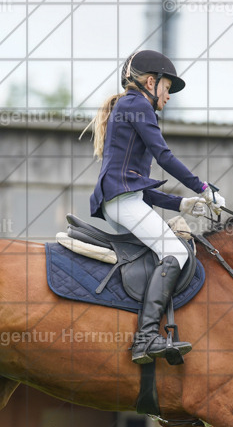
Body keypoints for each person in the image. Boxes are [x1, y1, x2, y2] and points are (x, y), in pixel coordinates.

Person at [83, 49, 225, 365]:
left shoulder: (128, 107)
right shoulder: (137, 106)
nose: (168, 96)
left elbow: (138, 188)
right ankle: (145, 338)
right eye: (167, 88)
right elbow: (164, 156)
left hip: (122, 202)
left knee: (158, 256)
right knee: (173, 253)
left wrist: (183, 204)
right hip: (122, 204)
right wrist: (203, 188)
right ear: (151, 81)